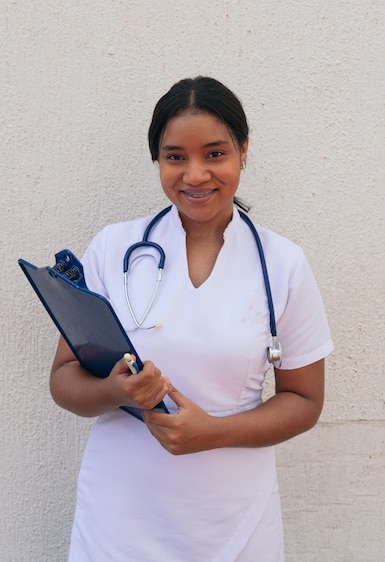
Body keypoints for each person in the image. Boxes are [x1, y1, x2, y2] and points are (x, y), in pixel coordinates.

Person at [50, 76, 333, 561]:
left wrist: (213, 433)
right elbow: (63, 381)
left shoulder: (282, 265)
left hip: (235, 520)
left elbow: (304, 400)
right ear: (158, 160)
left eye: (215, 154)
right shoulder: (114, 249)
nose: (195, 174)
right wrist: (115, 391)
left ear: (244, 151)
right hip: (120, 520)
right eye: (175, 156)